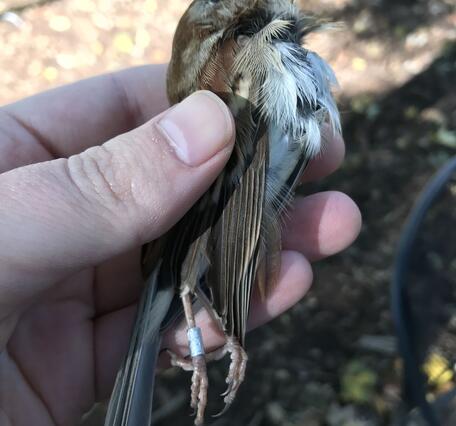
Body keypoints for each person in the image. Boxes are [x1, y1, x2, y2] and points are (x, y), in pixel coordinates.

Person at [0, 64, 361, 425]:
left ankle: (200, 330)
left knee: (177, 298)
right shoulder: (244, 85)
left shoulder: (256, 84)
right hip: (185, 244)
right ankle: (202, 330)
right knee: (177, 291)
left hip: (193, 244)